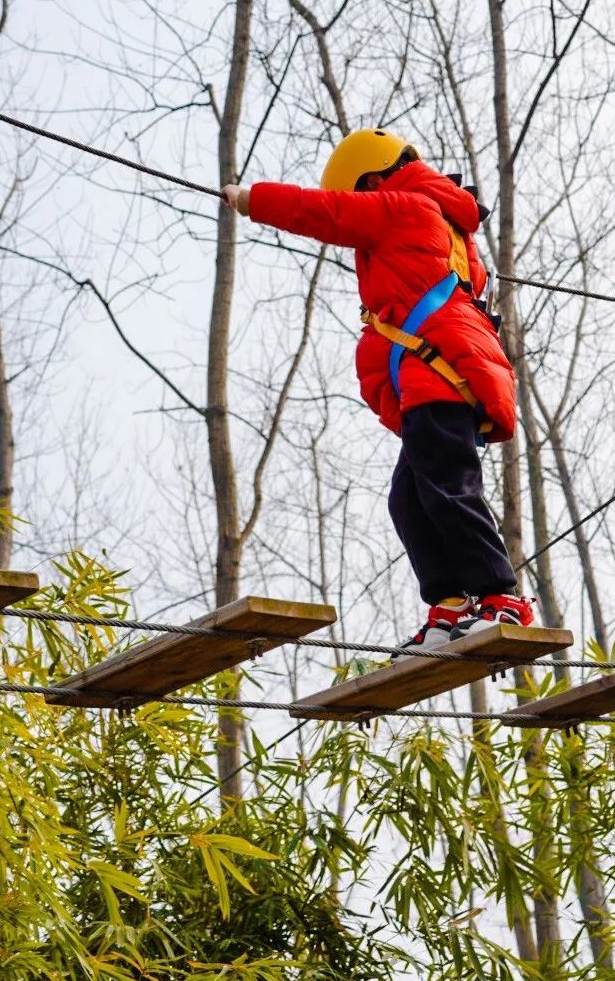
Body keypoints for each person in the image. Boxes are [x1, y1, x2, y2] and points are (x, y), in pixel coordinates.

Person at [222, 128, 533, 656]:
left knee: (447, 488)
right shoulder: (443, 221)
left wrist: (252, 200)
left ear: (372, 179)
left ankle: (501, 597)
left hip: (439, 376)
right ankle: (450, 607)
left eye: (361, 192)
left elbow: (327, 213)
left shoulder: (406, 208)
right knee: (410, 499)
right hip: (436, 375)